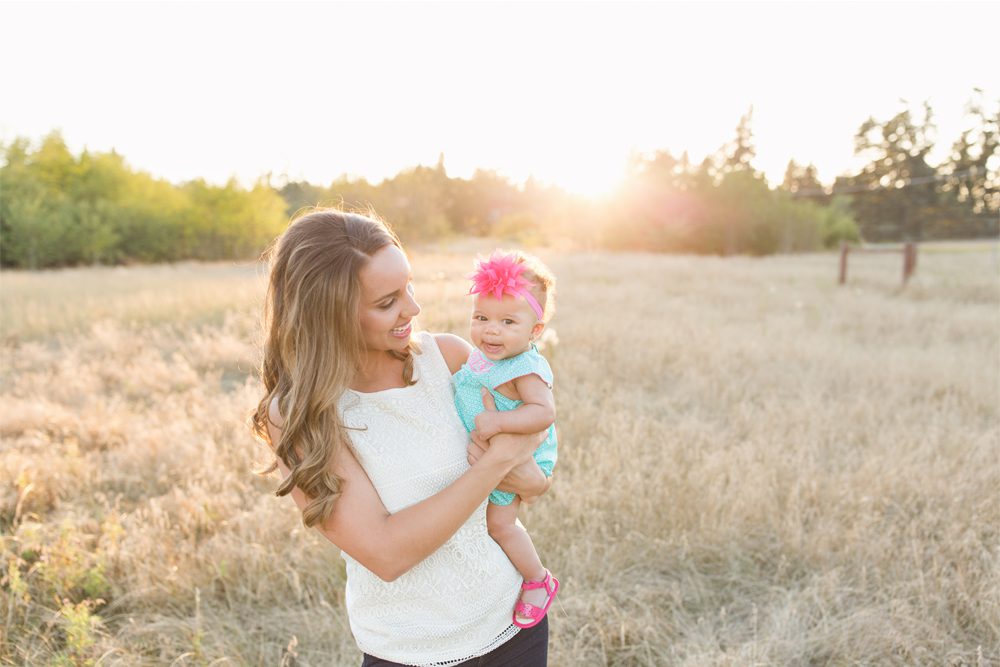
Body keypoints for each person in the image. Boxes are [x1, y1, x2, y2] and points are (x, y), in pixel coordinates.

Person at [250, 209, 553, 666]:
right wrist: (495, 463)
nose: (413, 308)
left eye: (409, 286)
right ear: (328, 315)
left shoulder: (450, 359)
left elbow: (533, 479)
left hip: (512, 625)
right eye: (387, 301)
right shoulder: (300, 416)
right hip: (410, 651)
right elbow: (386, 554)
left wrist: (521, 468)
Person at [452, 251, 560, 629]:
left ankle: (537, 580)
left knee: (500, 526)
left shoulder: (525, 367)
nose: (490, 330)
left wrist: (497, 421)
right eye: (481, 318)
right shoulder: (487, 358)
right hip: (497, 452)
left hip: (523, 458)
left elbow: (543, 413)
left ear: (534, 331)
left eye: (508, 322)